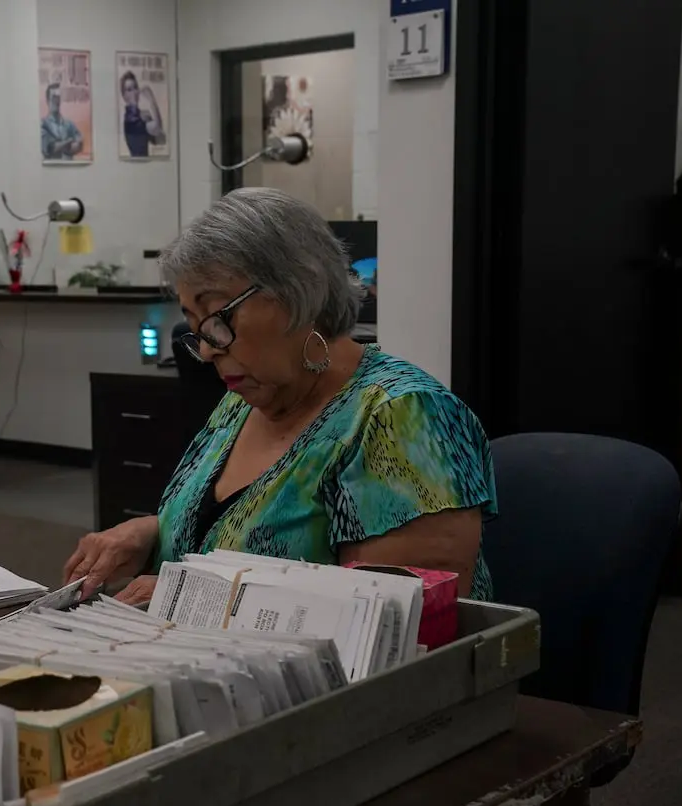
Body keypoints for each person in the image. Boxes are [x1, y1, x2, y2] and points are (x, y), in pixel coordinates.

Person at [63, 187, 496, 605]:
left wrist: (197, 595)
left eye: (217, 318)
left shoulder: (399, 415)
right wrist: (150, 531)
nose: (209, 348)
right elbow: (243, 527)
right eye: (196, 327)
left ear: (299, 292)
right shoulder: (245, 401)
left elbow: (392, 620)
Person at [120, 70, 165, 159]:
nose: (134, 92)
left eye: (135, 87)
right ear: (124, 96)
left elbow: (161, 140)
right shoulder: (130, 120)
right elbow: (157, 128)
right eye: (129, 90)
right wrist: (152, 100)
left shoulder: (141, 116)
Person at [41, 82, 84, 160]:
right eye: (54, 97)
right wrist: (69, 141)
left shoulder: (69, 124)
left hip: (70, 170)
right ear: (47, 101)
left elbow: (79, 144)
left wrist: (61, 146)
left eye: (58, 97)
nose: (56, 101)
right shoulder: (43, 124)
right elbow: (49, 148)